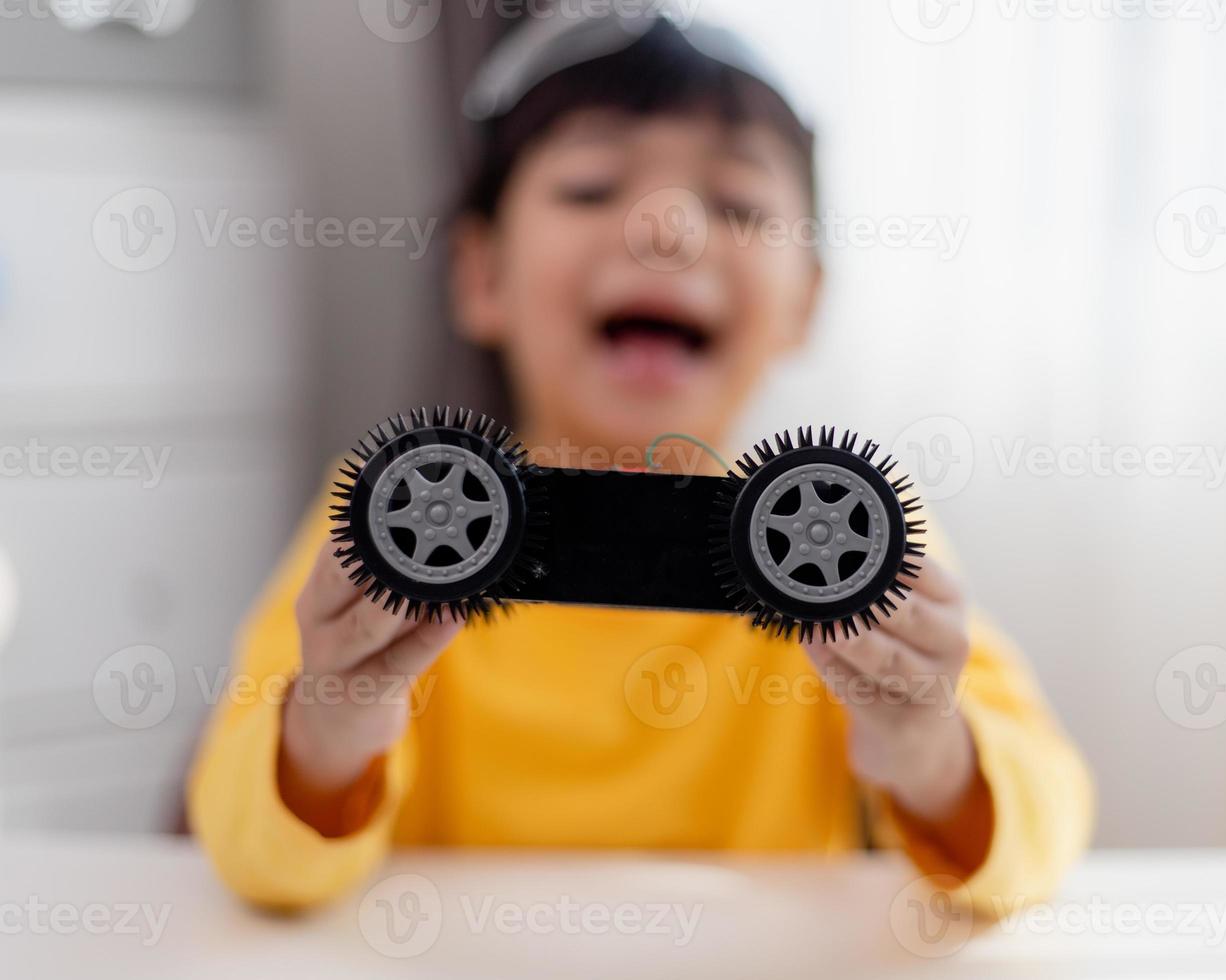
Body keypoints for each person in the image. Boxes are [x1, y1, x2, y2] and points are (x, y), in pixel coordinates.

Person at [188, 10, 1093, 915]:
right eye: (590, 187)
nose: (667, 229)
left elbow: (1042, 830)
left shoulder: (846, 545)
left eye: (737, 205)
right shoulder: (398, 529)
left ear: (805, 303)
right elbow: (252, 856)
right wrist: (330, 729)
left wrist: (928, 752)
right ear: (481, 274)